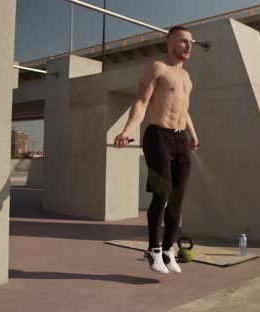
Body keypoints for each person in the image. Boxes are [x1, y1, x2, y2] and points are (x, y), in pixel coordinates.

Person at [113, 26, 199, 274]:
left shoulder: (187, 77)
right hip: (158, 136)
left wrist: (192, 135)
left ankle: (168, 249)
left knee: (178, 197)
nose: (189, 46)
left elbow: (183, 109)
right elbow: (141, 101)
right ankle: (153, 249)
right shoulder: (157, 68)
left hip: (181, 139)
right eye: (184, 41)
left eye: (191, 42)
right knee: (162, 194)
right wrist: (128, 130)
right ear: (171, 43)